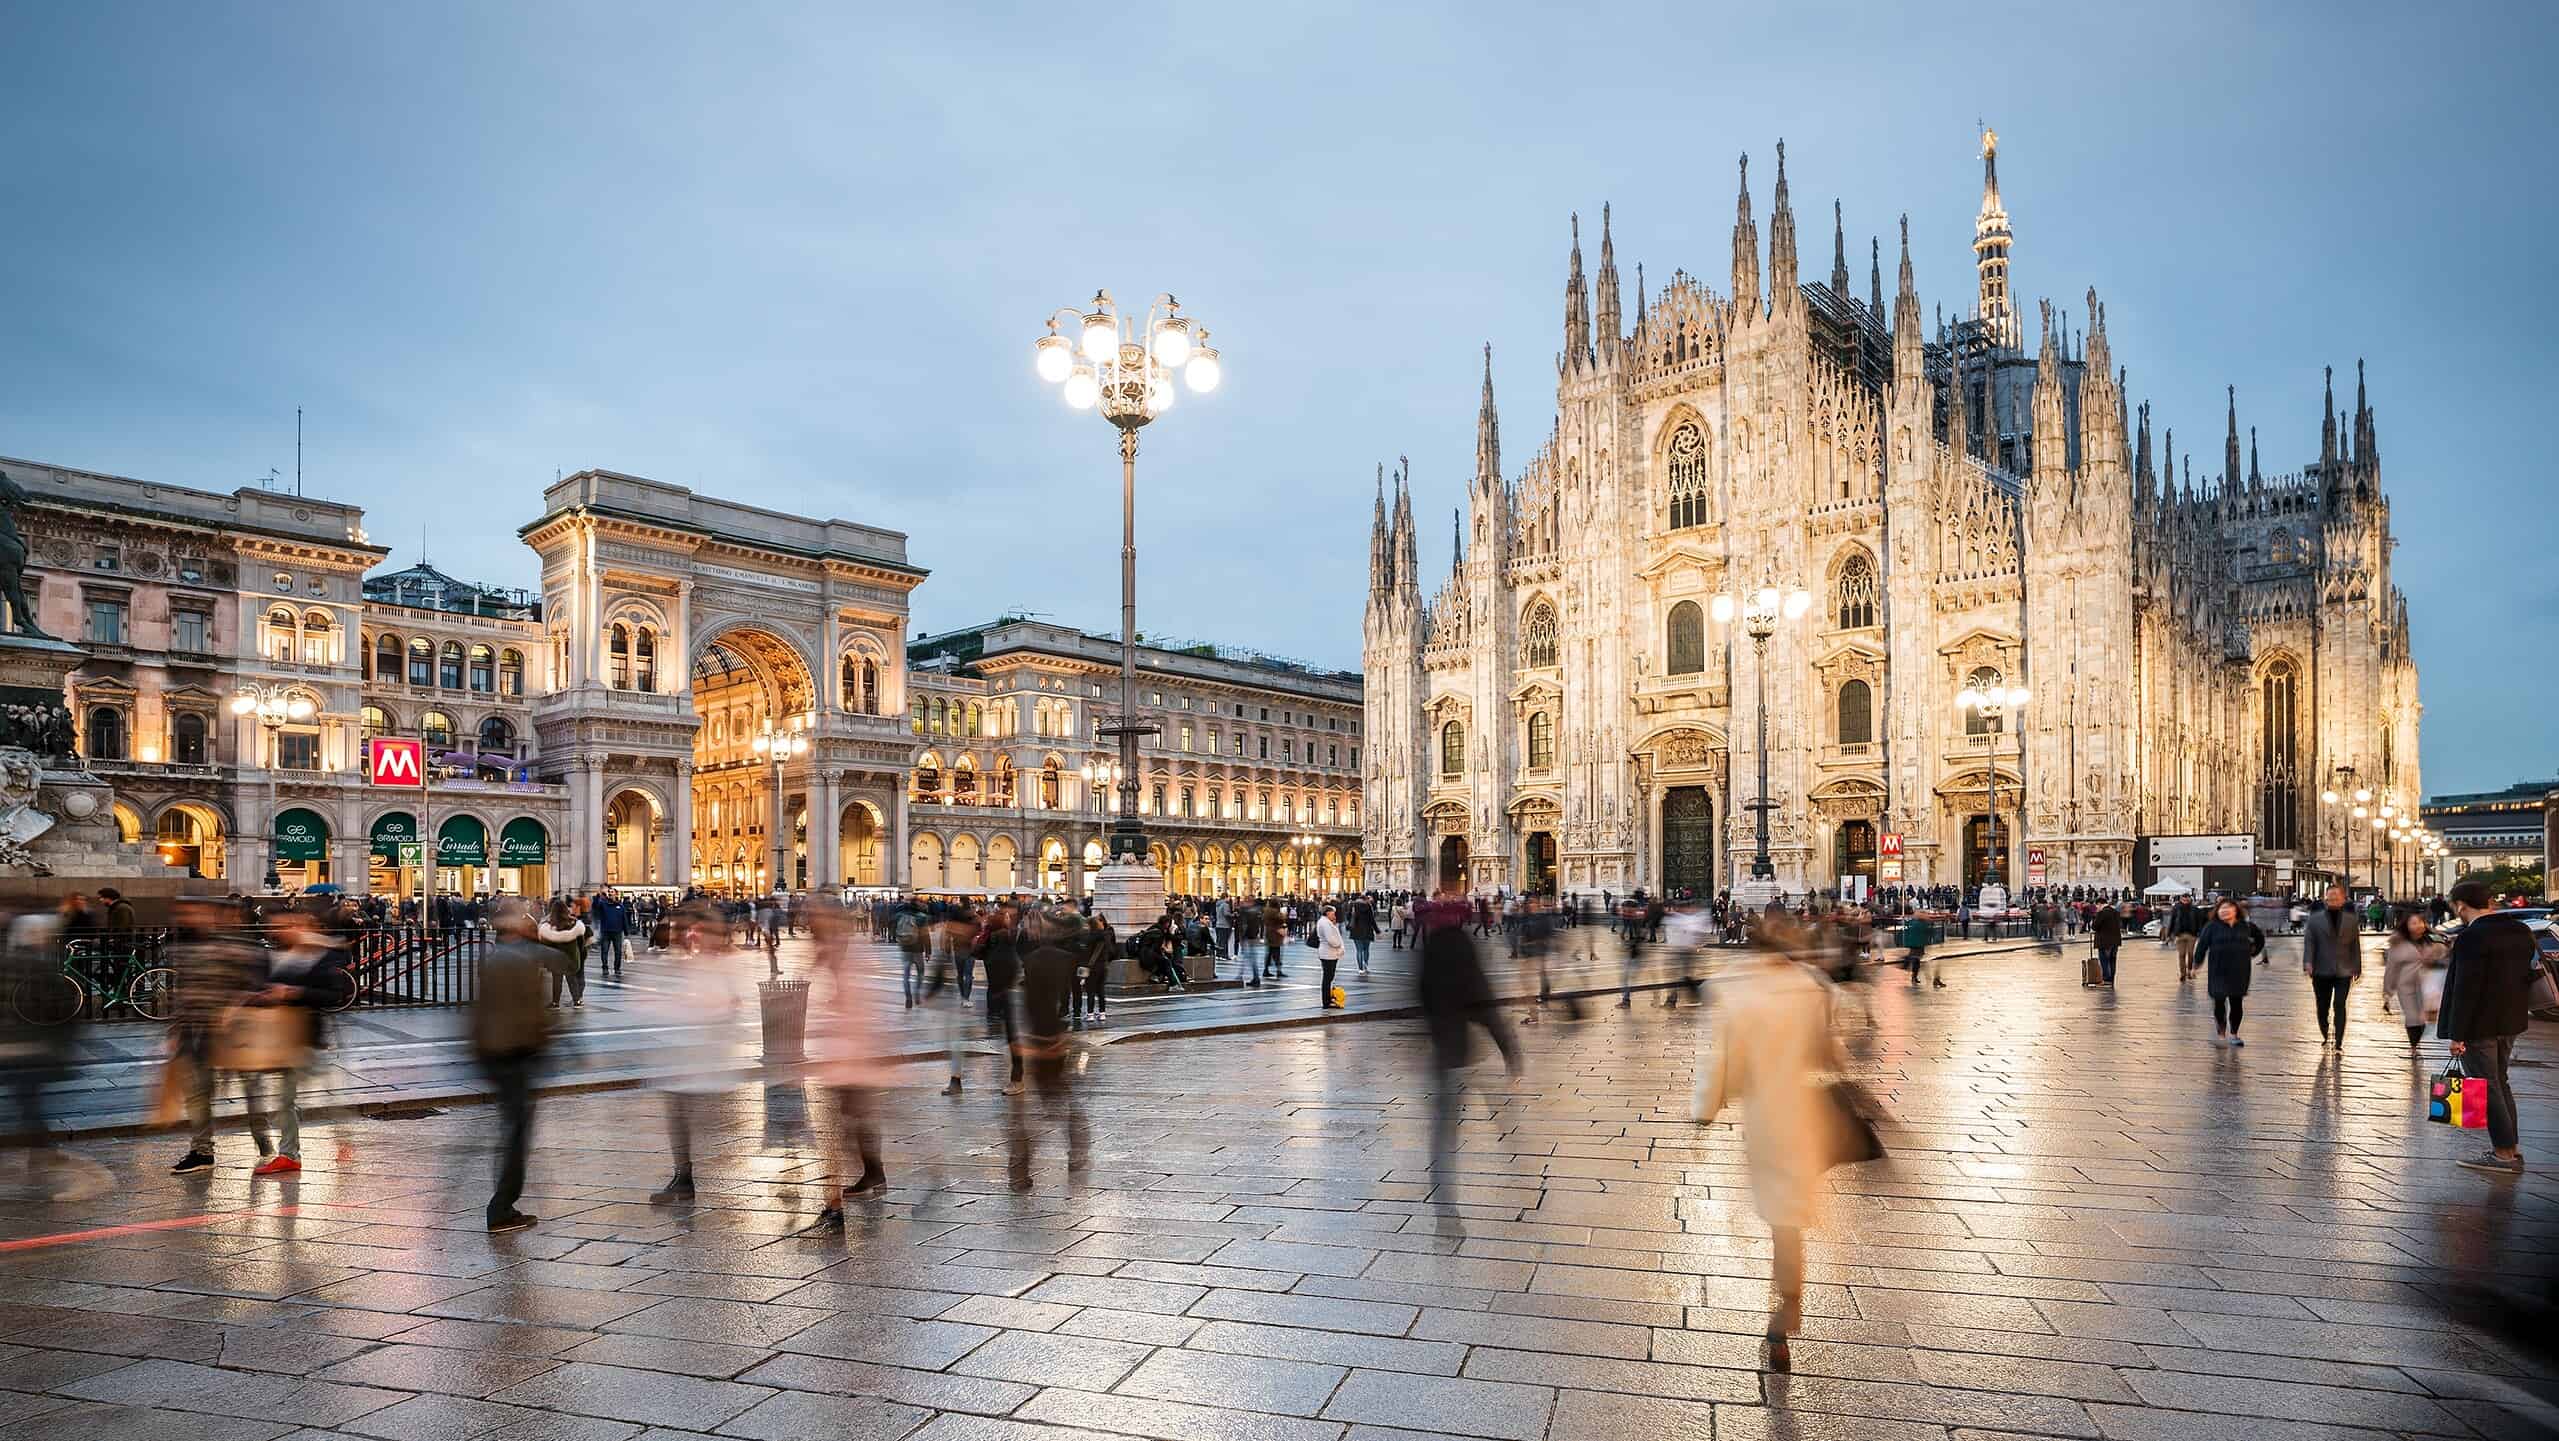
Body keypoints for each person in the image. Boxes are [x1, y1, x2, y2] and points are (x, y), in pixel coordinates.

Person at [1690, 913, 1851, 1373]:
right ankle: (1789, 1304)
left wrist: (1704, 1111)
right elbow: (1829, 1051)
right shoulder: (1813, 987)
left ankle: (1785, 1311)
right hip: (1805, 1113)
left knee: (1779, 1216)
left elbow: (1722, 1060)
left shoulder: (1738, 994)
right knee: (1790, 1219)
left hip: (1765, 1118)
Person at [1417, 891, 1521, 1236]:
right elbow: (1484, 1000)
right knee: (1463, 1099)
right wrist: (1509, 1050)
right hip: (1461, 1049)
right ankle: (1502, 1112)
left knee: (1443, 1131)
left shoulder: (1429, 950)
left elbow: (1420, 995)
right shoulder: (1462, 947)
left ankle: (1443, 1201)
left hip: (1440, 1053)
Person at [167, 898, 287, 1176]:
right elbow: (184, 993)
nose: (190, 918)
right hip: (197, 1032)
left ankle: (264, 1141)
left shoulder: (243, 947)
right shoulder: (188, 948)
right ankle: (202, 1151)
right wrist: (176, 1030)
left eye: (196, 912)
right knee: (198, 1093)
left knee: (251, 1091)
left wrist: (239, 1004)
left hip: (236, 1034)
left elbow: (263, 988)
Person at [640, 908, 741, 1204]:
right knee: (678, 1116)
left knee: (687, 1118)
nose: (696, 937)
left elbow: (729, 1007)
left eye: (704, 932)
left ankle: (685, 1179)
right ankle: (683, 1178)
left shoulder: (725, 966)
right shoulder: (696, 964)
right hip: (687, 1058)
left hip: (703, 1060)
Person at [2439, 878, 2536, 1175]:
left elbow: (2466, 989)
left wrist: (2457, 1034)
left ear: (2461, 906)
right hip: (2511, 1020)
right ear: (2489, 901)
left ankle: (2503, 1154)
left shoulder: (2472, 937)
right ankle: (2511, 1148)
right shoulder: (2520, 930)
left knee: (2486, 1086)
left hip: (2479, 1024)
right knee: (2500, 1082)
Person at [804, 900, 890, 1227]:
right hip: (845, 1059)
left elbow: (862, 1009)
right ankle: (873, 1174)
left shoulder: (846, 958)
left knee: (837, 1132)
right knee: (852, 1125)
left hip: (850, 1059)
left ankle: (835, 1206)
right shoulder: (834, 955)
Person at [471, 902, 554, 1232]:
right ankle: (502, 1207)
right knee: (517, 1133)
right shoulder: (519, 961)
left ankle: (503, 1204)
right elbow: (532, 1014)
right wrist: (543, 1046)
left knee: (512, 1130)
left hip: (495, 1054)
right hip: (515, 1054)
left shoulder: (494, 959)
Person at [1006, 909, 1090, 1191]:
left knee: (1045, 1103)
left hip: (1036, 1035)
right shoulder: (1065, 960)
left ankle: (1021, 1166)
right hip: (1050, 1036)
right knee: (1059, 1099)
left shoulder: (1031, 959)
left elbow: (1028, 1002)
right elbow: (1049, 1003)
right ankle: (1076, 1149)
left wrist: (1023, 1039)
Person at [2300, 884, 2362, 1049]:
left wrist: (2357, 966)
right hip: (2321, 969)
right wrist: (2308, 962)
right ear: (2325, 898)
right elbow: (2309, 943)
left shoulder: (2351, 919)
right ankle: (2325, 1031)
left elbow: (2355, 945)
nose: (2333, 899)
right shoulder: (2314, 919)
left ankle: (2339, 1040)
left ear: (2343, 899)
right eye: (2330, 896)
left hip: (2344, 969)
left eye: (2336, 896)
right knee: (2323, 1005)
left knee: (2340, 1004)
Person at [2195, 898, 2263, 1046]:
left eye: (2228, 908)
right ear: (2217, 911)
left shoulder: (2246, 926)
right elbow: (2202, 945)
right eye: (2221, 908)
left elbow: (2260, 939)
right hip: (2218, 970)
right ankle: (2221, 1031)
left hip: (2240, 970)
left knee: (2236, 1002)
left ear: (2236, 910)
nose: (2224, 911)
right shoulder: (2211, 927)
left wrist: (2253, 952)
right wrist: (2197, 963)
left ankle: (2234, 1034)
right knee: (2219, 1001)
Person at [2381, 911, 2447, 1050]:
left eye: (2420, 922)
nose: (2418, 926)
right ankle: (2414, 1046)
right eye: (2414, 923)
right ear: (2407, 926)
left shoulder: (2432, 939)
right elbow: (2392, 968)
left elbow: (2445, 953)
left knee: (2424, 1018)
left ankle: (2416, 1041)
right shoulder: (2398, 943)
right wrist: (2388, 992)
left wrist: (2437, 950)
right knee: (2412, 1017)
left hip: (2428, 984)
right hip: (2406, 985)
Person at [538, 899, 590, 1009]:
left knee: (557, 979)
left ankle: (555, 1002)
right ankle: (577, 1001)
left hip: (556, 957)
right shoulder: (574, 923)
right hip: (571, 956)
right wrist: (581, 953)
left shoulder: (551, 925)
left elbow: (546, 943)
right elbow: (581, 941)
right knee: (572, 979)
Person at [590, 888, 630, 983]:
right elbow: (595, 906)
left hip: (617, 932)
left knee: (618, 951)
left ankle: (617, 968)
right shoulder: (603, 904)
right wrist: (598, 895)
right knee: (604, 951)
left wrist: (626, 931)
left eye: (612, 892)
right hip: (606, 932)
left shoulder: (620, 906)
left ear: (616, 894)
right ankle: (605, 968)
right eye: (609, 892)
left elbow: (624, 919)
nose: (610, 894)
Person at [2170, 896, 2204, 981]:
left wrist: (2199, 933)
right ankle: (2183, 973)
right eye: (2183, 899)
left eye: (2187, 899)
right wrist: (2170, 934)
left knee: (2190, 954)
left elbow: (2199, 922)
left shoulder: (2195, 909)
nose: (2185, 901)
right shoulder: (2176, 909)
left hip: (2191, 934)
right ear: (2181, 900)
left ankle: (2189, 971)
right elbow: (2172, 921)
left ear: (2190, 900)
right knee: (2181, 955)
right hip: (2180, 934)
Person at [2091, 898, 2123, 987]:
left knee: (2104, 961)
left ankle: (2106, 980)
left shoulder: (2102, 913)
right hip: (2115, 941)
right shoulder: (2115, 912)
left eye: (2097, 906)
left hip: (2104, 941)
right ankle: (2111, 979)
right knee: (2112, 961)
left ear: (2100, 904)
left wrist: (2096, 916)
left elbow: (2095, 926)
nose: (2096, 907)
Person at [1348, 896, 1378, 977]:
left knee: (1359, 950)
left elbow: (1349, 917)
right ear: (1365, 900)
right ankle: (1366, 965)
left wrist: (1349, 926)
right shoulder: (1368, 906)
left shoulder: (1353, 905)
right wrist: (1377, 931)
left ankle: (1360, 969)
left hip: (1356, 931)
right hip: (1367, 930)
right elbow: (1372, 920)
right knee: (1366, 949)